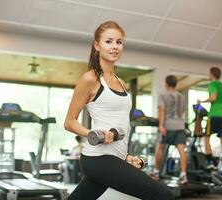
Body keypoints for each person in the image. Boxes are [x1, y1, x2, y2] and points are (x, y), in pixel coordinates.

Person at [64, 21, 174, 200]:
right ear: (97, 45)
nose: (114, 47)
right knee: (163, 196)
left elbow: (118, 121)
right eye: (109, 42)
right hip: (98, 158)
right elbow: (69, 122)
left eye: (119, 42)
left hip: (114, 157)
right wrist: (93, 133)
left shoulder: (120, 82)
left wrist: (125, 157)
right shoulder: (90, 79)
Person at [153, 75, 188, 184]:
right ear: (175, 84)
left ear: (166, 84)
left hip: (168, 125)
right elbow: (183, 112)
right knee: (182, 150)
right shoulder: (181, 96)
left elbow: (162, 110)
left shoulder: (163, 95)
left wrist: (161, 125)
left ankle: (156, 172)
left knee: (161, 148)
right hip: (180, 125)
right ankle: (183, 175)